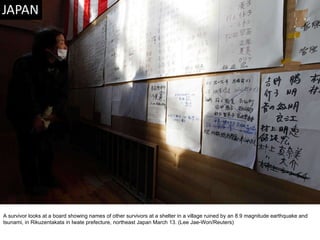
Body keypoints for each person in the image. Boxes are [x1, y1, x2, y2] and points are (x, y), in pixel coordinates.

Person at [6, 28, 69, 195]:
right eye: (61, 42)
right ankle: (31, 184)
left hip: (46, 111)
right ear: (47, 48)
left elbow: (62, 92)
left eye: (64, 42)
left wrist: (54, 113)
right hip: (23, 112)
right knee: (28, 147)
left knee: (47, 147)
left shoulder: (62, 65)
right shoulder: (24, 64)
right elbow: (25, 94)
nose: (65, 47)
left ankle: (46, 177)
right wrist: (35, 116)